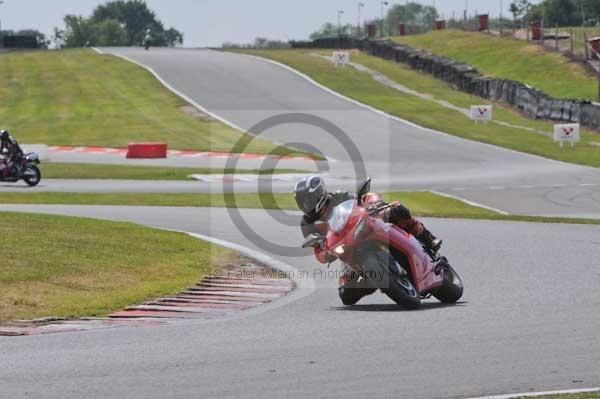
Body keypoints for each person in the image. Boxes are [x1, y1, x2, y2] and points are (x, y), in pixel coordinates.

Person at [294, 175, 442, 305]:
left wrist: (374, 202)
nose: (305, 205)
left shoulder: (339, 196)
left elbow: (363, 199)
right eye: (302, 202)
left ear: (320, 193)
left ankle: (428, 238)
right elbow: (317, 250)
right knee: (346, 295)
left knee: (397, 210)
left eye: (308, 200)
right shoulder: (307, 224)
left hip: (365, 226)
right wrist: (325, 252)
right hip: (347, 248)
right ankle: (375, 278)